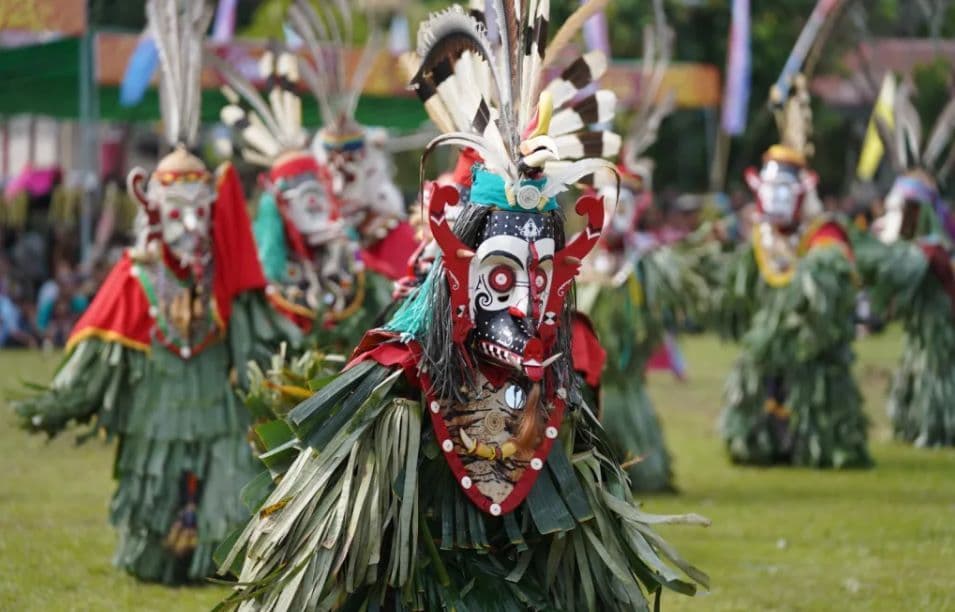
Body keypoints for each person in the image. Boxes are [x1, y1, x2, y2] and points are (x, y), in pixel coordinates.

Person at [216, 3, 708, 610]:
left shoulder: (557, 383)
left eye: (543, 275)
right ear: (456, 261)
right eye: (502, 274)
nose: (525, 303)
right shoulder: (398, 379)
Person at [15, 0, 300, 584]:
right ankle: (162, 554)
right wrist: (66, 399)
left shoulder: (225, 276)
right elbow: (102, 347)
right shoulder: (137, 275)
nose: (192, 225)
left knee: (224, 477)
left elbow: (255, 329)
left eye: (201, 210)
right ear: (150, 204)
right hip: (158, 406)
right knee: (156, 482)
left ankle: (213, 556)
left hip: (217, 406)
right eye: (178, 211)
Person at [715, 75, 870, 468]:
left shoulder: (825, 233)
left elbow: (835, 269)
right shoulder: (758, 235)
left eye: (786, 190)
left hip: (815, 348)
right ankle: (763, 439)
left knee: (814, 390)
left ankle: (817, 442)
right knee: (764, 382)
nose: (776, 198)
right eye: (770, 189)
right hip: (769, 346)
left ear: (804, 191)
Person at [856, 85, 955, 447]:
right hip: (926, 310)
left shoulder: (931, 224)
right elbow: (890, 248)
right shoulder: (910, 213)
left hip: (941, 312)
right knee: (922, 357)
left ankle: (937, 421)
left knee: (937, 360)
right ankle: (920, 418)